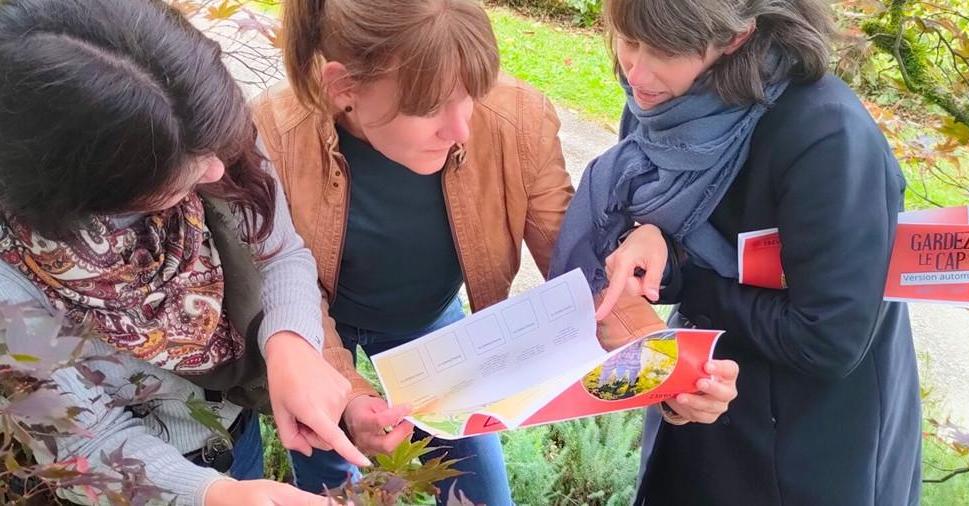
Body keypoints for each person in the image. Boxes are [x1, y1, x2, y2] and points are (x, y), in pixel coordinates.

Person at [252, 0, 740, 502]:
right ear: (343, 87)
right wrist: (352, 397)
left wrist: (668, 368)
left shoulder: (517, 119)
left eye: (471, 95)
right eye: (430, 108)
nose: (461, 128)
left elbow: (581, 269)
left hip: (430, 323)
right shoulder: (276, 134)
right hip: (312, 329)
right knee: (329, 484)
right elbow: (287, 283)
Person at [0, 0, 375, 503]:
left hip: (233, 430)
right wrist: (215, 495)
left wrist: (291, 343)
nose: (218, 172)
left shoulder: (200, 121)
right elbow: (84, 444)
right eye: (176, 175)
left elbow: (280, 253)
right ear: (80, 191)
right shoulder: (10, 288)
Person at [549, 0, 922, 504]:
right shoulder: (661, 103)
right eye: (627, 39)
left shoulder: (827, 137)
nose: (636, 70)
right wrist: (652, 247)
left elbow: (830, 339)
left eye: (663, 49)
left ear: (736, 38)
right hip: (701, 406)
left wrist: (691, 278)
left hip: (804, 451)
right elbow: (676, 249)